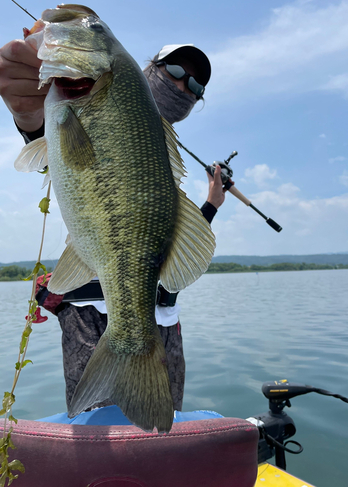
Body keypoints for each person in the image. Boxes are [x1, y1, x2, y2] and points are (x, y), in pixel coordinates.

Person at [0, 40, 226, 412]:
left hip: (160, 323)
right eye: (174, 71)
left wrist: (211, 205)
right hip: (87, 312)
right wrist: (28, 118)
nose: (184, 86)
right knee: (97, 444)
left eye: (196, 87)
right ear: (148, 69)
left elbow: (167, 236)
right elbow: (55, 147)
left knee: (158, 444)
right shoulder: (102, 108)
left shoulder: (161, 148)